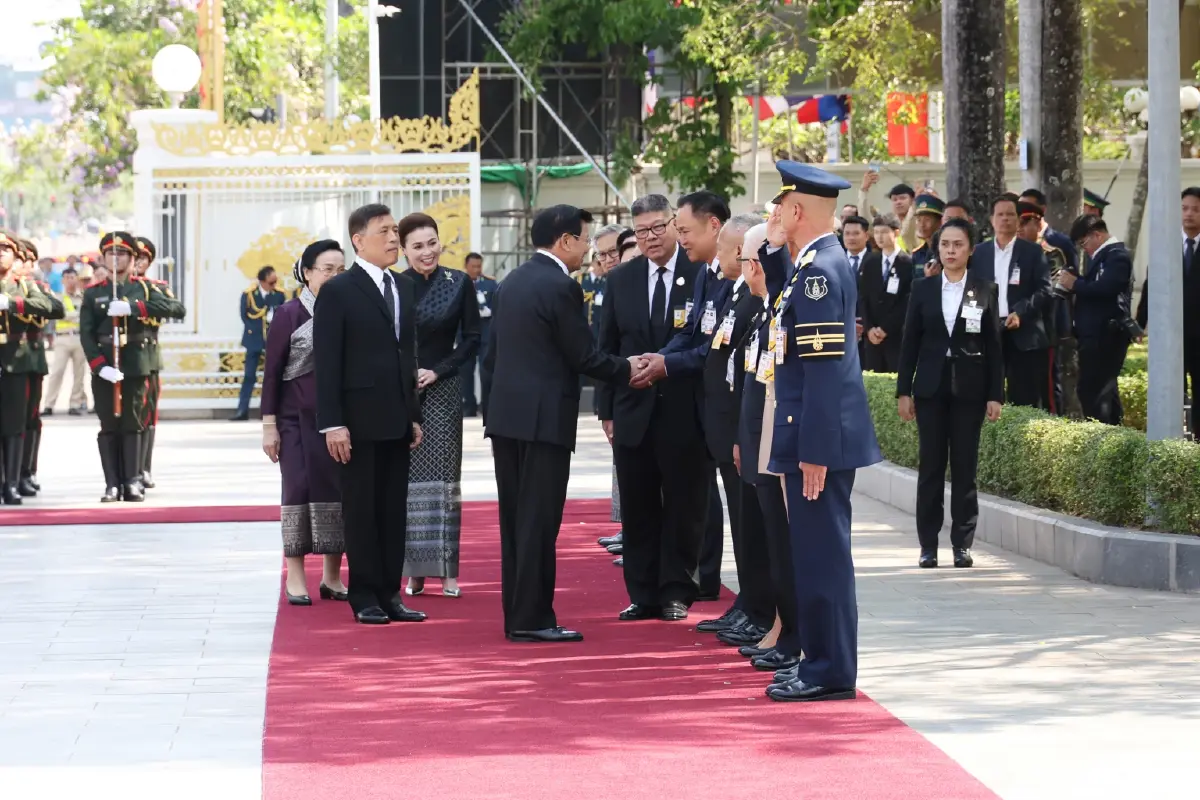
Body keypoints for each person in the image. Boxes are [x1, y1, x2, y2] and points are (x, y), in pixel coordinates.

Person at [484, 204, 641, 642]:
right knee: (539, 519)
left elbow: (492, 355)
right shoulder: (560, 286)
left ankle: (518, 613)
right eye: (586, 240)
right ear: (566, 240)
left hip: (507, 418)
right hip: (543, 420)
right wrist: (631, 369)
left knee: (516, 520)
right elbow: (584, 356)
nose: (588, 248)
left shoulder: (512, 281)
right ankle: (534, 617)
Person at [761, 161, 881, 702]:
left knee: (822, 556)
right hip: (815, 435)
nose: (774, 214)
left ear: (797, 210)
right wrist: (767, 248)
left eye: (780, 206)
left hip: (819, 441)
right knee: (814, 553)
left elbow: (823, 370)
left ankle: (830, 670)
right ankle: (821, 661)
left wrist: (813, 450)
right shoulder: (814, 263)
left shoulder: (818, 272)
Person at [595, 193, 707, 623]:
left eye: (659, 227)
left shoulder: (699, 273)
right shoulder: (621, 279)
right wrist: (606, 410)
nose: (651, 237)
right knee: (638, 505)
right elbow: (606, 347)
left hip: (684, 407)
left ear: (674, 227)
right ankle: (642, 592)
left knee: (684, 503)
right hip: (632, 409)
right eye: (642, 231)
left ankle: (677, 589)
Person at [314, 203, 425, 625]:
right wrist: (333, 422)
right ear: (359, 240)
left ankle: (389, 593)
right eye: (385, 232)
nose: (395, 238)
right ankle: (363, 595)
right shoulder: (340, 290)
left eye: (396, 230)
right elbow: (327, 361)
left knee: (393, 508)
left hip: (396, 417)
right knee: (362, 510)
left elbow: (407, 355)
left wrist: (413, 413)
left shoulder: (403, 287)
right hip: (355, 422)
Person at [633, 190, 733, 607]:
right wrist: (659, 357)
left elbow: (715, 347)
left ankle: (752, 605)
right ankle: (753, 607)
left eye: (681, 229)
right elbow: (693, 333)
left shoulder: (728, 275)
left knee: (712, 507)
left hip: (721, 411)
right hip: (701, 410)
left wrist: (665, 366)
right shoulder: (708, 273)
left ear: (714, 226)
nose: (677, 236)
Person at [896, 218, 1004, 569]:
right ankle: (928, 545)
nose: (951, 251)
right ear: (938, 249)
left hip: (969, 391)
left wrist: (995, 394)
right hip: (929, 389)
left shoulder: (985, 289)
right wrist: (903, 390)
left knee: (964, 468)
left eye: (958, 245)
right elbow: (909, 343)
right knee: (930, 468)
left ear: (971, 249)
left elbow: (994, 346)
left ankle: (962, 544)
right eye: (945, 245)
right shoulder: (923, 289)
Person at [692, 214, 777, 649]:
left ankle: (760, 609)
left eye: (729, 248)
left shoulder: (756, 301)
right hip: (728, 428)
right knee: (744, 527)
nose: (722, 255)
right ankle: (748, 604)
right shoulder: (734, 293)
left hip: (743, 432)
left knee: (753, 527)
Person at [393, 212, 481, 598]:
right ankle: (413, 573)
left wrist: (438, 371)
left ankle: (447, 573)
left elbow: (473, 339)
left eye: (432, 243)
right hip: (401, 392)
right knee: (407, 484)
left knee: (445, 481)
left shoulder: (458, 282)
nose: (427, 252)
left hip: (443, 390)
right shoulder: (394, 286)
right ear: (404, 250)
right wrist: (409, 373)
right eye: (418, 246)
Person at [262, 240, 348, 605]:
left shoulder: (347, 311)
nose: (334, 276)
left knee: (337, 491)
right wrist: (269, 425)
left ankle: (331, 576)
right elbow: (272, 373)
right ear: (308, 272)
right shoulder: (289, 314)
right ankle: (295, 574)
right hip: (294, 420)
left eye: (341, 270)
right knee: (296, 490)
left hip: (337, 420)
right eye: (327, 269)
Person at [735, 217, 801, 670]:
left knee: (786, 545)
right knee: (775, 545)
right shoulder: (762, 312)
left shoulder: (777, 310)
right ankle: (783, 627)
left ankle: (791, 632)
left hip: (779, 447)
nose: (742, 267)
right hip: (760, 443)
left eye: (744, 258)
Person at [81, 232, 185, 502]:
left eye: (123, 254)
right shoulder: (94, 294)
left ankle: (132, 481)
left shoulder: (144, 289)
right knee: (108, 423)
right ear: (103, 258)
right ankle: (111, 484)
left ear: (132, 258)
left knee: (133, 422)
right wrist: (99, 365)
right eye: (111, 254)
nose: (117, 259)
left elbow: (176, 308)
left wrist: (134, 308)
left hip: (136, 363)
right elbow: (86, 334)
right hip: (105, 365)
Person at [969, 194, 1052, 410]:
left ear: (1018, 219)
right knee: (988, 395)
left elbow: (1045, 289)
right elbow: (972, 291)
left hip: (1023, 335)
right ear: (992, 219)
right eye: (1000, 214)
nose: (1005, 219)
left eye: (1010, 215)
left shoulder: (1033, 252)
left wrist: (1021, 312)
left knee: (1025, 399)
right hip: (989, 332)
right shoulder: (979, 253)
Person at [1136, 187, 1200, 432]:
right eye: (1184, 208)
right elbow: (1151, 286)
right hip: (1172, 337)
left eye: (1195, 209)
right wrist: (1139, 324)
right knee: (1173, 393)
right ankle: (1174, 444)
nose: (1189, 214)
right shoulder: (1166, 245)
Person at [1061, 214, 1133, 425]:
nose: (1085, 249)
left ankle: (1105, 436)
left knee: (1094, 393)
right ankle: (1116, 433)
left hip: (1106, 336)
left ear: (1097, 235)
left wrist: (1076, 284)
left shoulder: (1116, 256)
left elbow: (1106, 289)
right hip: (1094, 336)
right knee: (1105, 393)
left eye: (1084, 243)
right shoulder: (1103, 256)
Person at [0, 233, 55, 504]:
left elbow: (51, 307)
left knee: (15, 424)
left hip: (17, 360)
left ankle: (13, 480)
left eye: (5, 249)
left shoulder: (24, 286)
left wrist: (12, 303)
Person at [12, 239, 64, 497]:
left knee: (29, 419)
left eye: (28, 260)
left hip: (30, 358)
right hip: (10, 358)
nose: (24, 265)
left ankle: (25, 471)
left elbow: (56, 308)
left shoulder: (37, 287)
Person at [133, 236, 168, 489]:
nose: (138, 262)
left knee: (148, 414)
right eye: (135, 257)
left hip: (148, 356)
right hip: (121, 359)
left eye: (143, 258)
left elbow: (168, 309)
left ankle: (144, 467)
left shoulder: (156, 287)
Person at [859, 214, 913, 373]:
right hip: (872, 337)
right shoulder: (871, 262)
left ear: (896, 233)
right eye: (876, 233)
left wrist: (885, 328)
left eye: (883, 232)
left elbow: (907, 300)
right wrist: (869, 328)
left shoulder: (907, 262)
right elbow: (863, 297)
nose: (879, 237)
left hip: (895, 335)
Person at [233, 266, 286, 421]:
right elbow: (244, 316)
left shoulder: (279, 295)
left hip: (272, 340)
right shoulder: (249, 295)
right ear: (262, 281)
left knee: (272, 377)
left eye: (275, 281)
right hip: (254, 340)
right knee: (249, 376)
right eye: (271, 282)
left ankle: (269, 411)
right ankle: (242, 411)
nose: (274, 285)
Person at [43, 267, 88, 416]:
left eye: (72, 277)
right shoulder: (58, 298)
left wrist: (71, 315)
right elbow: (58, 314)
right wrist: (74, 315)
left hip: (79, 338)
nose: (70, 280)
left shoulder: (83, 298)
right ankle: (49, 404)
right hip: (62, 338)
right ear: (63, 280)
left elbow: (86, 317)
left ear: (77, 279)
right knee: (57, 372)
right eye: (67, 277)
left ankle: (75, 404)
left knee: (79, 373)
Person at [461, 252, 496, 418]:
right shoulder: (459, 284)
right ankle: (469, 405)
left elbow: (496, 309)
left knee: (486, 372)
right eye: (473, 266)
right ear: (466, 266)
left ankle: (487, 405)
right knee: (466, 372)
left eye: (479, 266)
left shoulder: (490, 285)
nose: (476, 269)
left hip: (485, 335)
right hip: (465, 335)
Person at [909, 194, 946, 276]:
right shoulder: (917, 254)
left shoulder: (947, 252)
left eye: (927, 220)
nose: (922, 225)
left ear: (940, 222)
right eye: (919, 220)